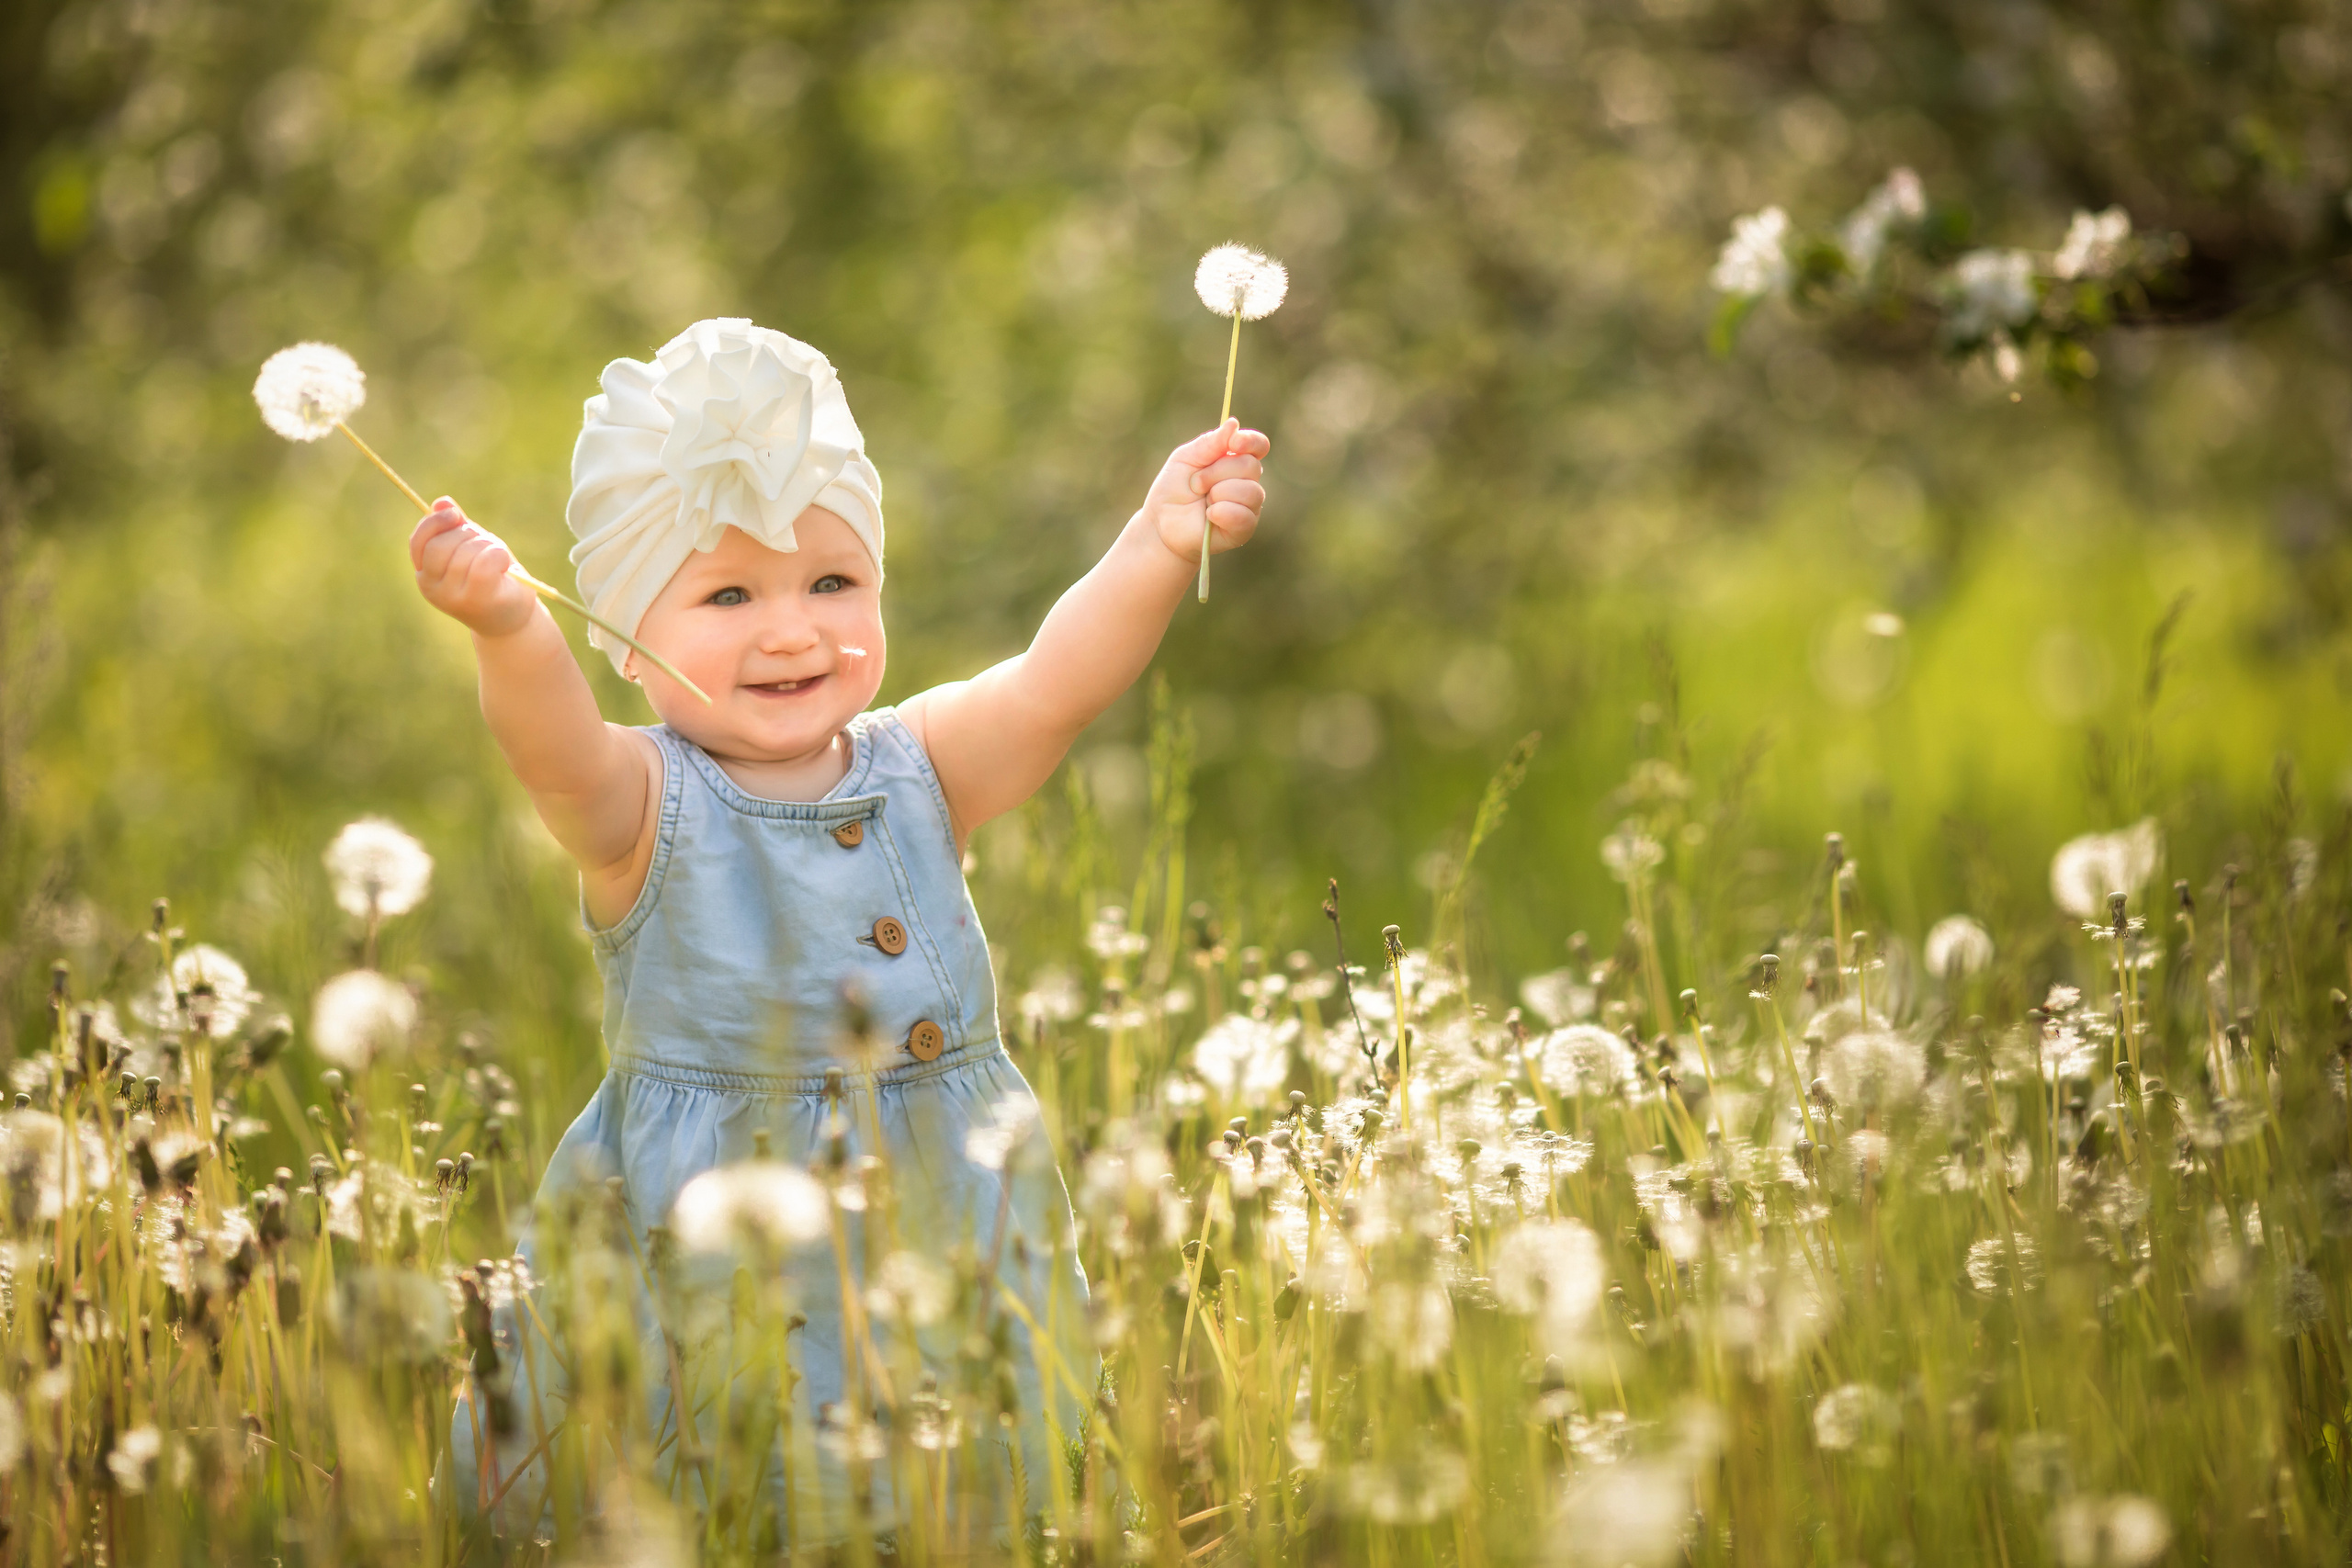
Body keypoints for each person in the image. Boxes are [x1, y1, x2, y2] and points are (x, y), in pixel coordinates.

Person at [423, 317, 1267, 1544]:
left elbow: (1054, 681)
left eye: (833, 579)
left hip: (940, 1202)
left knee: (967, 1492)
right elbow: (548, 747)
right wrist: (507, 628)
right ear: (621, 628)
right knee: (718, 1485)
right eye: (726, 593)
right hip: (717, 1229)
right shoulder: (639, 808)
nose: (792, 630)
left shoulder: (923, 764)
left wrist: (1156, 539)